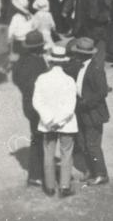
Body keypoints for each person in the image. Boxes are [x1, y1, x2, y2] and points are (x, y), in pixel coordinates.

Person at [32, 44, 78, 198]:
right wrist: (59, 121)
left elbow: (37, 101)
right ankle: (64, 186)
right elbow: (70, 106)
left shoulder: (42, 78)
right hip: (66, 123)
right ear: (64, 62)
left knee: (48, 153)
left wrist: (49, 120)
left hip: (47, 124)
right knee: (66, 153)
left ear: (50, 61)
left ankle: (50, 187)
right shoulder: (70, 80)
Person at [11, 29, 47, 187]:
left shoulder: (21, 60)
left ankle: (38, 172)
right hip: (38, 106)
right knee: (39, 140)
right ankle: (36, 174)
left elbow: (15, 78)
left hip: (28, 104)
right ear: (40, 47)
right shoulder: (38, 63)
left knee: (37, 137)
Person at [73, 36, 110, 185]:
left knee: (92, 144)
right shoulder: (80, 65)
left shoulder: (96, 69)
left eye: (78, 52)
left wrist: (86, 102)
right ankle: (90, 170)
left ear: (84, 54)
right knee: (82, 142)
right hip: (81, 110)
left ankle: (101, 174)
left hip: (92, 112)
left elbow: (102, 92)